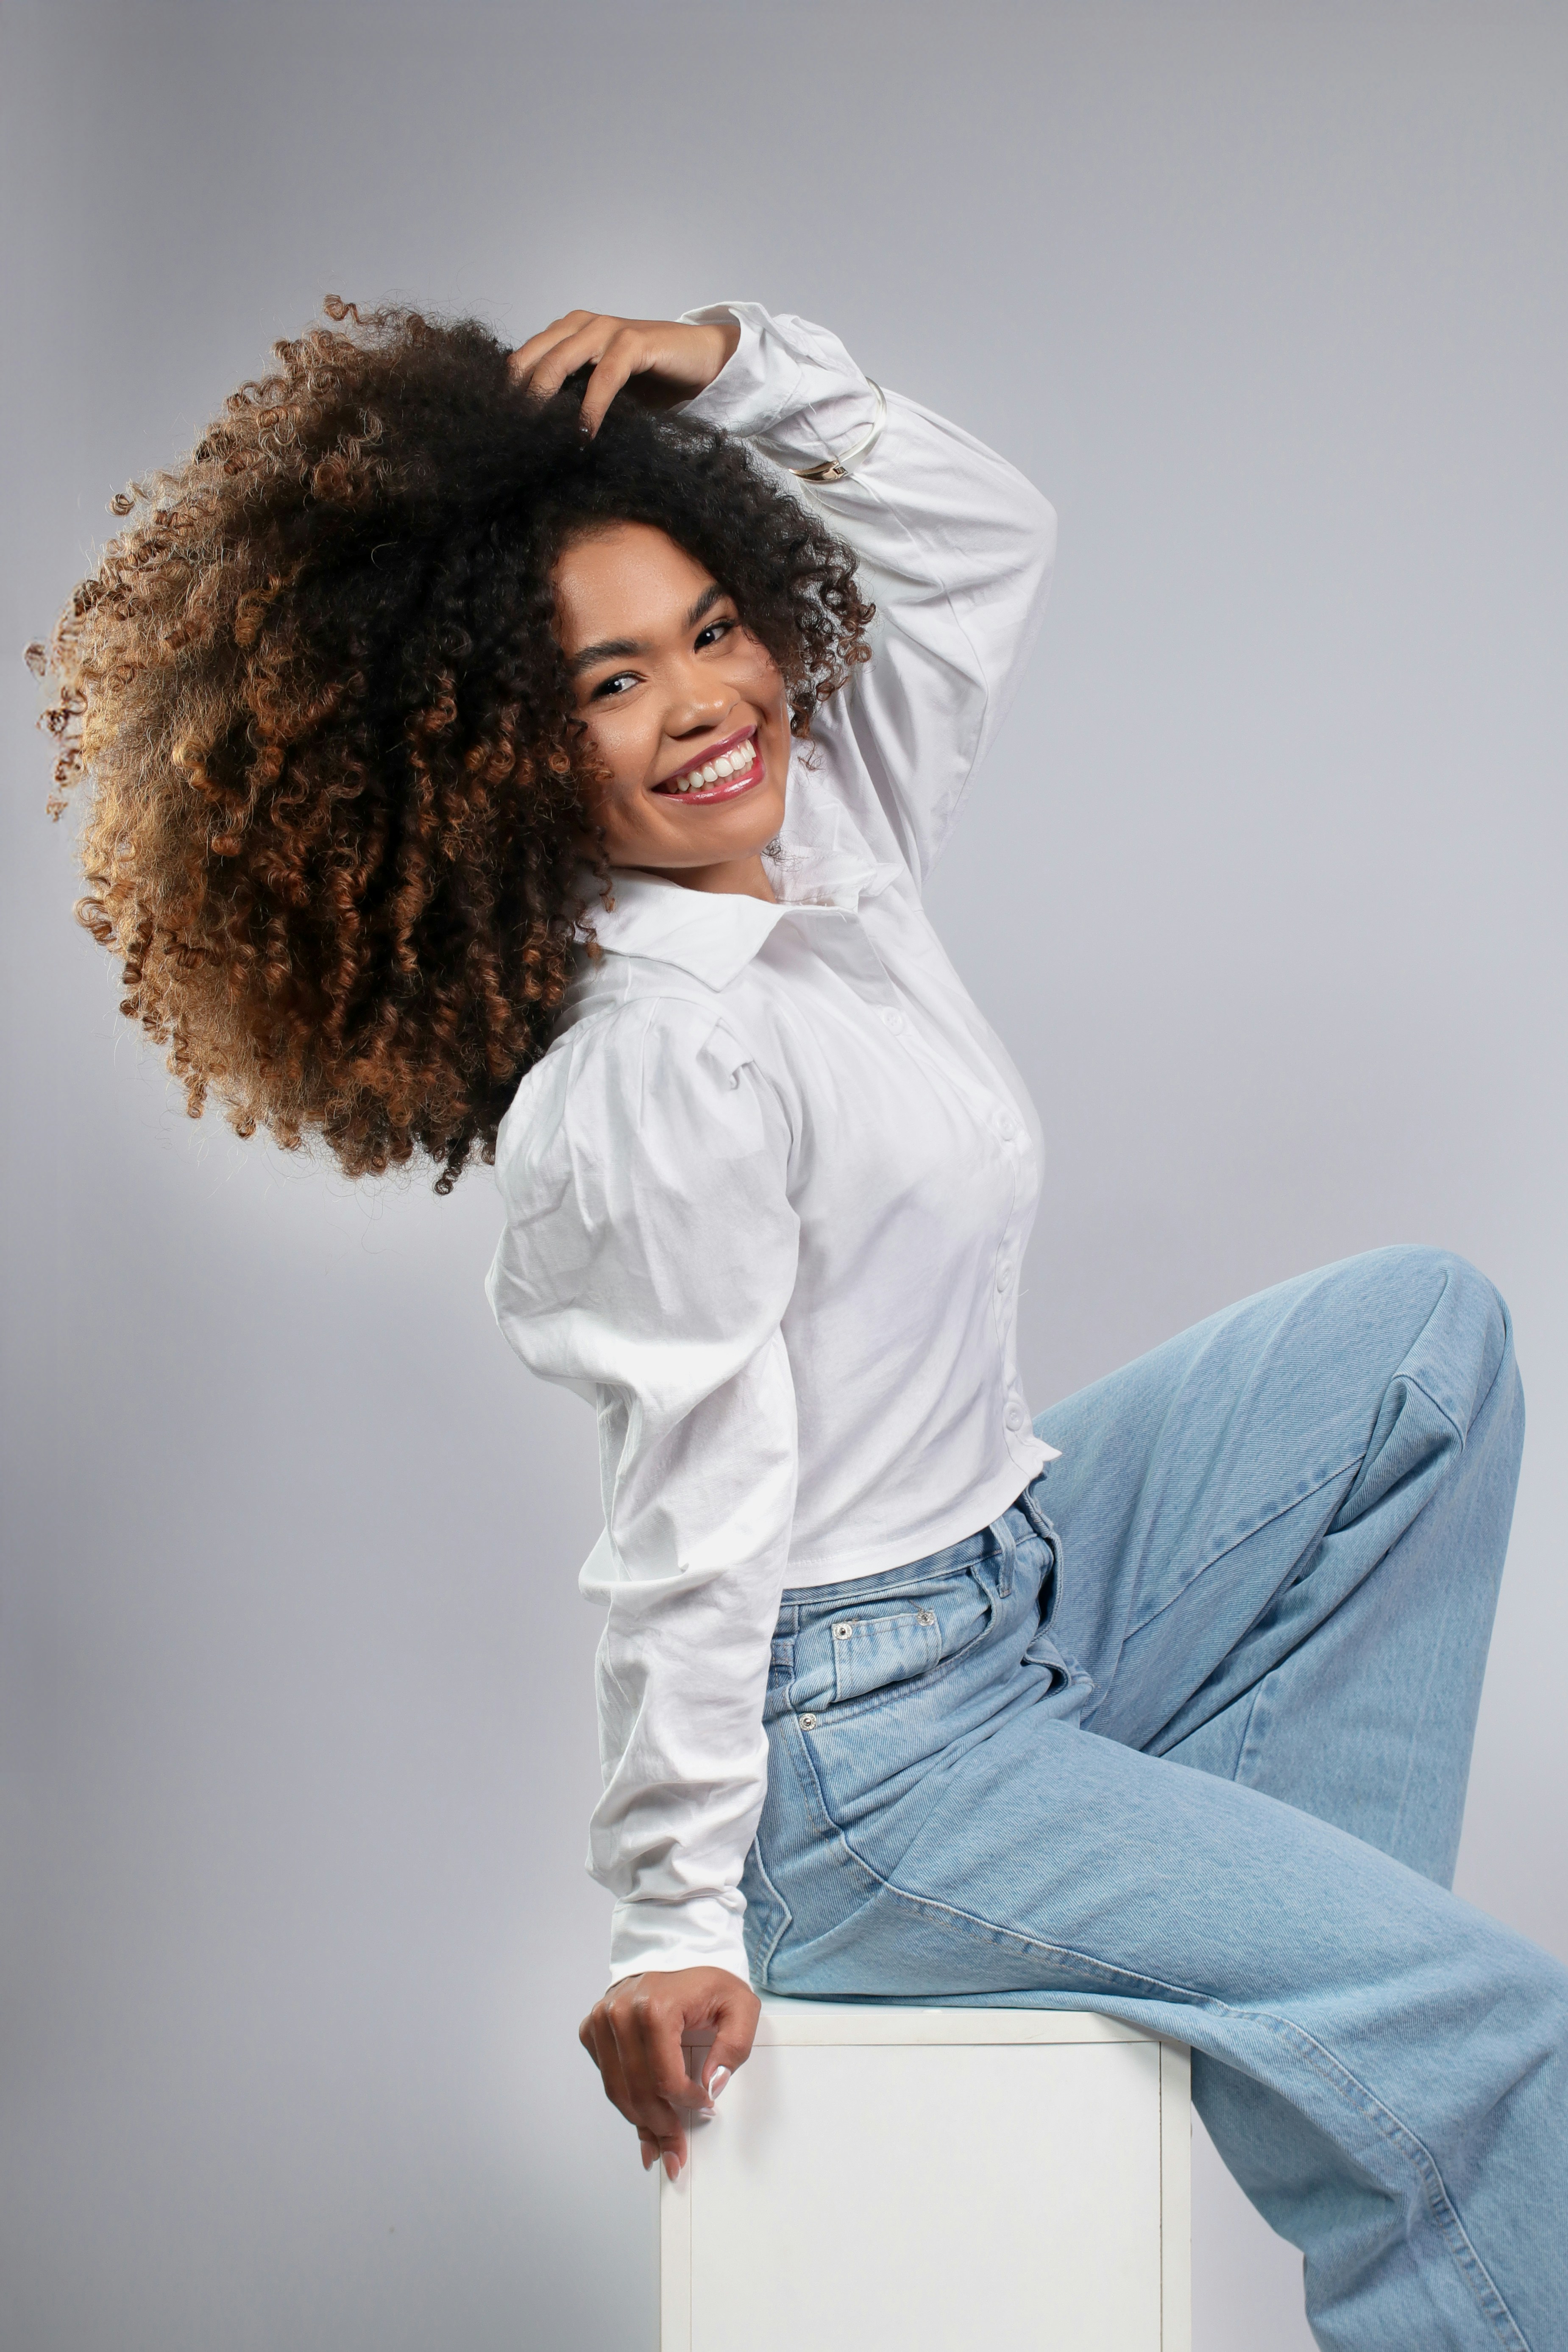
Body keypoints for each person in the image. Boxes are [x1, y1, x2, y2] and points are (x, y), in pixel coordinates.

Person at [38, 298, 1566, 2349]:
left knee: (1416, 1348)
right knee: (1488, 2032)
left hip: (1010, 1589)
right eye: (609, 678)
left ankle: (1302, 2014)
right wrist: (672, 1915)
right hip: (859, 1763)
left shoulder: (820, 862)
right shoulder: (657, 1068)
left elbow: (982, 532)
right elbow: (687, 1516)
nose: (701, 699)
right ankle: (1379, 2076)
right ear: (506, 757)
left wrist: (735, 360)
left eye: (712, 624)